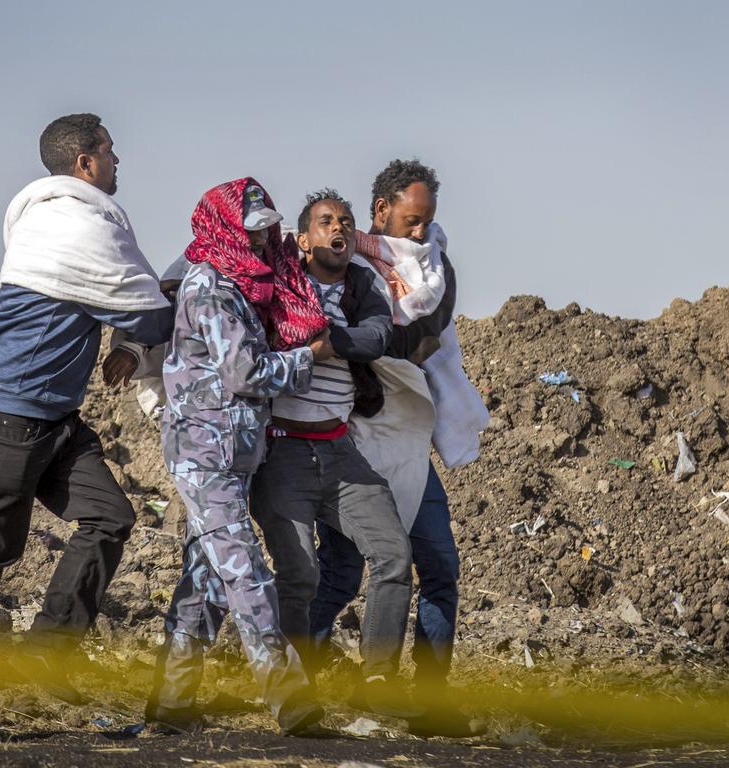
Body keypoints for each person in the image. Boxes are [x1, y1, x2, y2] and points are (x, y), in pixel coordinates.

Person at [0, 113, 173, 738]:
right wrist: (159, 316)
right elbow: (149, 311)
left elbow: (134, 307)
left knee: (110, 517)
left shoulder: (66, 220)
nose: (117, 162)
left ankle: (49, 649)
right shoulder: (72, 224)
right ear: (85, 163)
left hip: (50, 414)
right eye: (109, 151)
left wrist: (133, 345)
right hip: (8, 409)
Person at [310, 160, 488, 737]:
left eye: (427, 223)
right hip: (356, 436)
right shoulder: (350, 263)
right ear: (381, 210)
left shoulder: (435, 270)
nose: (419, 235)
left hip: (409, 440)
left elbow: (420, 331)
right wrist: (374, 338)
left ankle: (430, 698)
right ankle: (291, 672)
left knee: (440, 566)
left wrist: (378, 337)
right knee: (341, 571)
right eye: (411, 222)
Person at [148, 178, 331, 736]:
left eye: (266, 232)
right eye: (251, 232)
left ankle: (171, 703)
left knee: (205, 581)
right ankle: (292, 702)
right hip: (205, 455)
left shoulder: (245, 284)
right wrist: (307, 357)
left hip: (233, 454)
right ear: (225, 228)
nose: (260, 243)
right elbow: (247, 373)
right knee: (246, 572)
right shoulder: (211, 289)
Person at [250, 189, 418, 718]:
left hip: (341, 452)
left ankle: (377, 681)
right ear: (303, 239)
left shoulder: (361, 286)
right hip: (283, 454)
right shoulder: (277, 284)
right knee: (298, 575)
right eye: (325, 222)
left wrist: (322, 340)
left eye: (344, 221)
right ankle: (295, 692)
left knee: (393, 555)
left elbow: (375, 338)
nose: (338, 228)